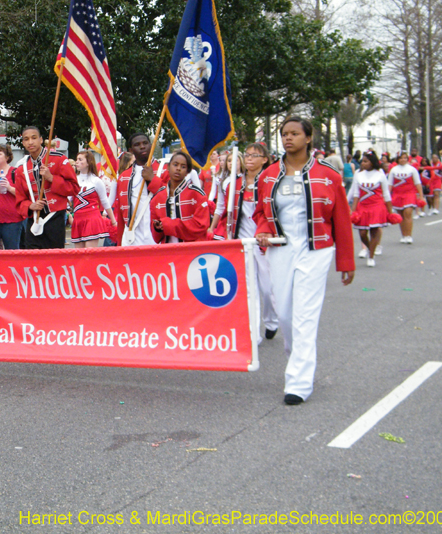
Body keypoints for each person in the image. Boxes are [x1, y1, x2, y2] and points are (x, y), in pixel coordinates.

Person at [255, 117, 355, 405]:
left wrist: (346, 261)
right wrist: (262, 230)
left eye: (295, 133)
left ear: (308, 138)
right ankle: (297, 356)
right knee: (284, 313)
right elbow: (261, 213)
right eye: (284, 134)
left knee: (305, 317)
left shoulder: (329, 175)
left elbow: (341, 220)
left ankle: (299, 382)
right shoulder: (268, 175)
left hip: (316, 250)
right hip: (281, 248)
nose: (288, 139)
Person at [212, 143, 279, 341]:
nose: (249, 158)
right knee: (248, 289)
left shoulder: (270, 182)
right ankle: (253, 332)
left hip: (264, 241)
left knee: (268, 289)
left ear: (265, 159)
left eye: (254, 155)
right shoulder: (232, 183)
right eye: (247, 155)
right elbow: (223, 209)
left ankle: (271, 320)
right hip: (242, 241)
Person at [14, 126, 79, 249]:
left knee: (54, 260)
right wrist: (30, 206)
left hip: (55, 218)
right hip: (33, 220)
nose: (30, 142)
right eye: (26, 139)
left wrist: (52, 178)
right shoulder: (21, 168)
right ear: (23, 143)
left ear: (41, 140)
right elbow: (20, 200)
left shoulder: (59, 159)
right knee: (33, 261)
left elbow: (74, 188)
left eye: (34, 138)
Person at [114, 132, 169, 246]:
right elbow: (120, 213)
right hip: (132, 235)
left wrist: (153, 180)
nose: (142, 146)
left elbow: (170, 198)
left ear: (151, 145)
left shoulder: (164, 170)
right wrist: (119, 243)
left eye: (145, 143)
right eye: (137, 144)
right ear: (131, 150)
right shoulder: (124, 177)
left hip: (156, 234)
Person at [150, 151, 210, 243]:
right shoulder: (157, 197)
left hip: (193, 252)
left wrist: (168, 224)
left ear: (187, 172)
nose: (178, 169)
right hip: (168, 253)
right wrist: (157, 228)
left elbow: (200, 226)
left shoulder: (197, 195)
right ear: (168, 167)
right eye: (175, 165)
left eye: (183, 167)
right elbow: (156, 237)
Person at [351, 152, 392, 267]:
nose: (362, 163)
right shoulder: (358, 175)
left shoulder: (380, 174)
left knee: (374, 230)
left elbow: (386, 193)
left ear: (372, 162)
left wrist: (390, 212)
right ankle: (371, 248)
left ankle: (371, 256)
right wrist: (353, 212)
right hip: (362, 206)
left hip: (377, 206)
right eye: (362, 161)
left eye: (365, 161)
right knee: (362, 233)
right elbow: (356, 194)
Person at [71, 151, 116, 248]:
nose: (76, 162)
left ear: (88, 162)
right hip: (78, 220)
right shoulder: (73, 180)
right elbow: (67, 199)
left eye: (80, 159)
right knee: (79, 257)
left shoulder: (96, 181)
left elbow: (105, 201)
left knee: (89, 255)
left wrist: (113, 221)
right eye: (76, 159)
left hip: (92, 219)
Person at [388, 151, 423, 244]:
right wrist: (387, 197)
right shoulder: (394, 170)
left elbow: (418, 183)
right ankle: (403, 235)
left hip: (409, 194)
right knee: (401, 215)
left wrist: (421, 196)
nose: (403, 160)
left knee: (408, 213)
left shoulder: (412, 169)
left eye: (405, 158)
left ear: (407, 159)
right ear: (398, 159)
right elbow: (390, 185)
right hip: (397, 194)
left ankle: (409, 235)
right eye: (401, 158)